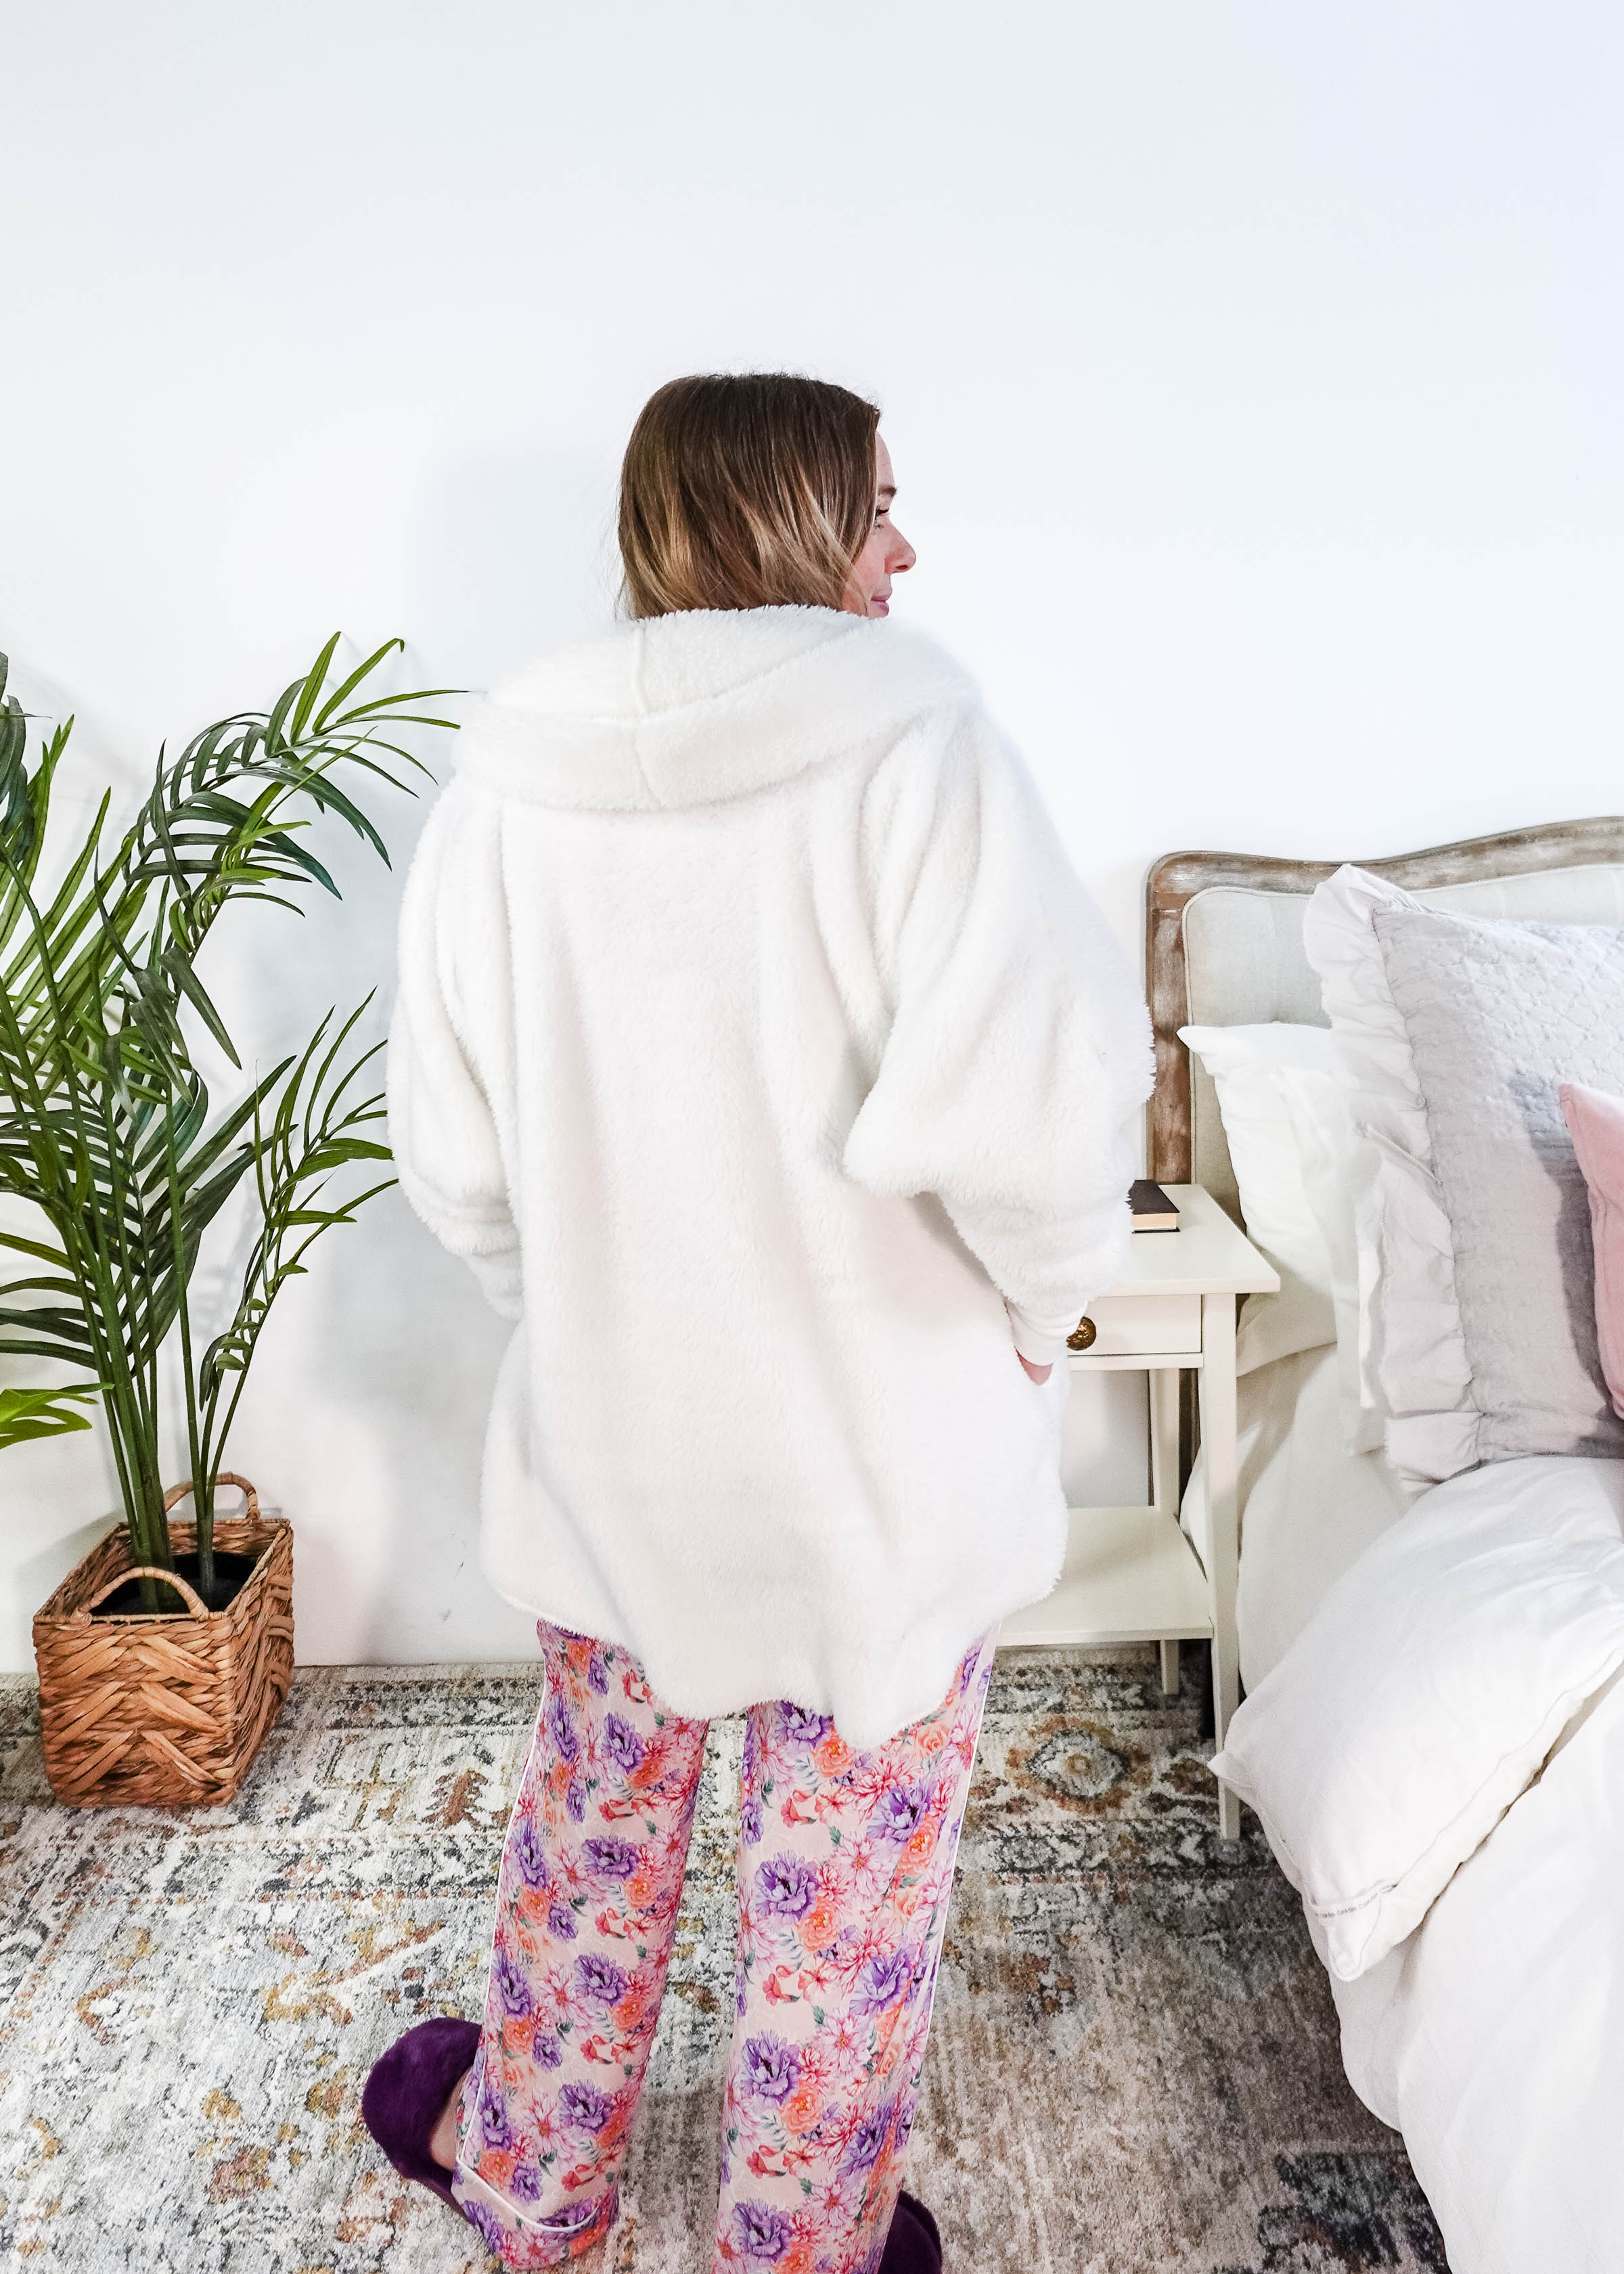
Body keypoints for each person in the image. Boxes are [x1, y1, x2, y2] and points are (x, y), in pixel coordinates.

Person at [366, 372, 1151, 2271]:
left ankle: (535, 2186)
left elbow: (458, 1167)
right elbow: (1042, 1112)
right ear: (795, 521)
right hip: (875, 1473)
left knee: (595, 1845)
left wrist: (573, 1335)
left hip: (618, 1455)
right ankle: (795, 2242)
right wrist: (1048, 1314)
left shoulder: (508, 782)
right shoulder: (922, 749)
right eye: (880, 504)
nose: (908, 545)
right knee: (846, 1899)